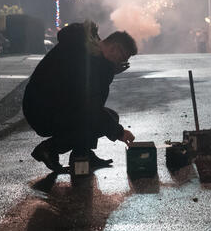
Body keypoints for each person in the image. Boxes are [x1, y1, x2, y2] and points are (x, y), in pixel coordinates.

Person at [23, 20, 137, 172]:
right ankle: (49, 149)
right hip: (43, 110)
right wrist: (119, 133)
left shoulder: (88, 50)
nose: (123, 62)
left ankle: (82, 155)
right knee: (94, 120)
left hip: (46, 103)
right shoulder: (88, 59)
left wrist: (108, 69)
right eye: (123, 57)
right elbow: (90, 106)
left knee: (109, 117)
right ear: (114, 48)